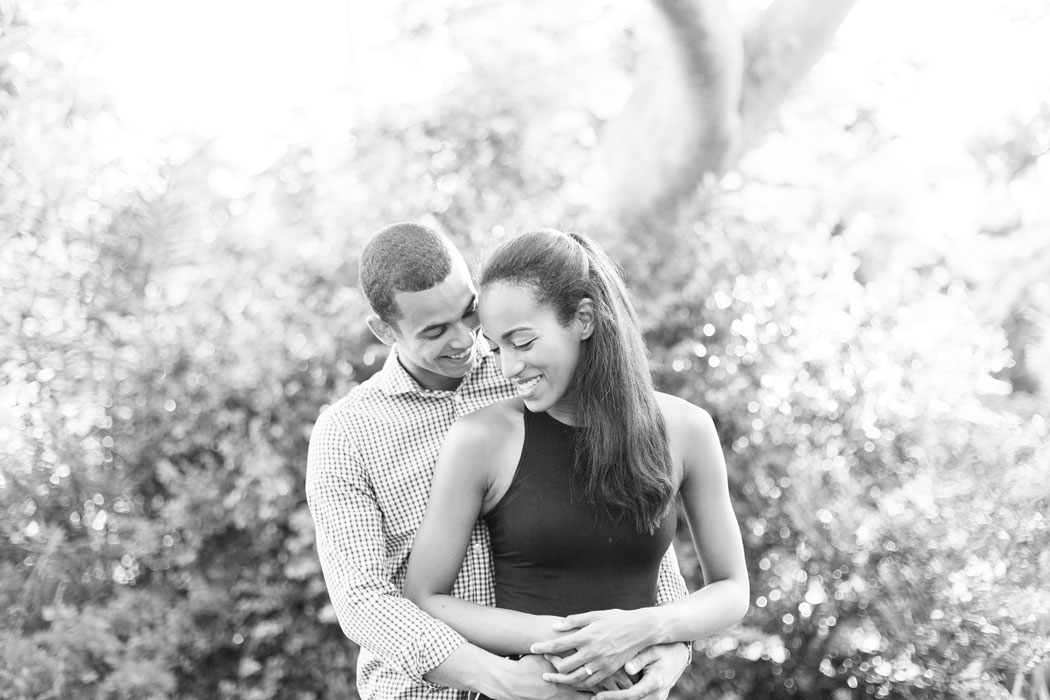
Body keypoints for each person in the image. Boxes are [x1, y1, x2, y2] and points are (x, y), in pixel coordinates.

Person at [306, 222, 694, 700]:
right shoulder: (346, 435)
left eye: (468, 313)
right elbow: (363, 601)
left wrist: (671, 639)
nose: (466, 340)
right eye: (435, 331)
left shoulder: (533, 369)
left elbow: (633, 509)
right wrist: (503, 680)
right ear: (384, 331)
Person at [403, 228, 749, 694]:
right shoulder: (481, 438)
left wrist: (647, 629)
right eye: (497, 346)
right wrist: (577, 639)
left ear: (583, 319)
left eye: (522, 343)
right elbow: (425, 598)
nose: (507, 368)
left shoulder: (686, 428)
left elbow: (731, 588)